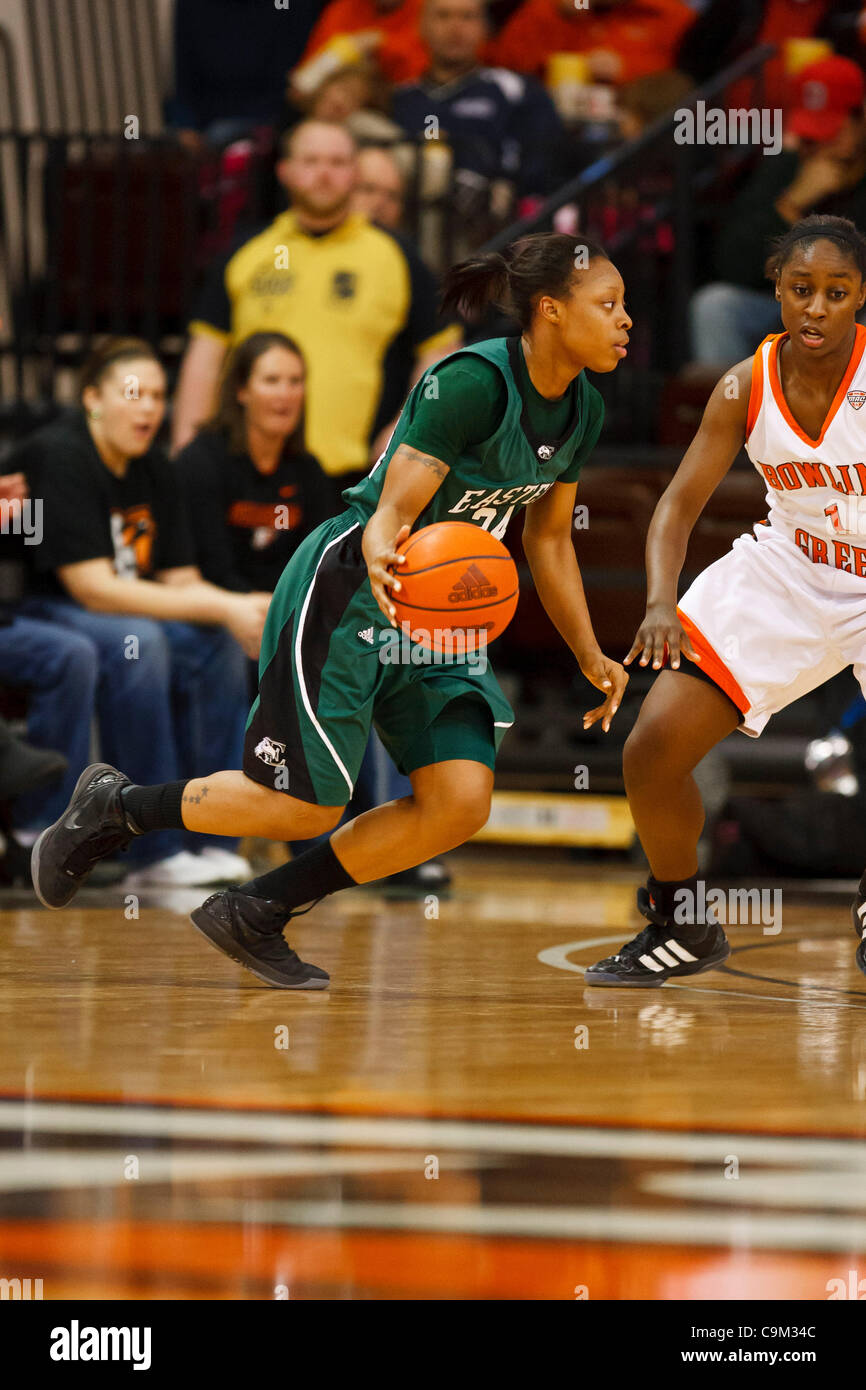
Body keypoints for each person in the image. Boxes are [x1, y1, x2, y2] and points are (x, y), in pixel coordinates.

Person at [32, 232, 631, 990]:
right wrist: (385, 550)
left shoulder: (584, 410)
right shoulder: (471, 384)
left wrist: (587, 651)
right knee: (304, 806)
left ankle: (257, 909)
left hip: (437, 616)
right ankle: (117, 807)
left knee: (459, 802)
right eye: (607, 305)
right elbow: (392, 508)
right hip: (356, 581)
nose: (625, 321)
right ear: (550, 311)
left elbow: (548, 540)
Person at [584, 214, 866, 987]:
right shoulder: (743, 384)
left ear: (860, 299)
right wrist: (657, 602)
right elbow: (675, 508)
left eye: (835, 293)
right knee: (651, 750)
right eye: (801, 289)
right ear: (775, 289)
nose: (815, 308)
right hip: (791, 568)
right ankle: (681, 920)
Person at [17, 338, 270, 887]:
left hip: (116, 608)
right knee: (143, 641)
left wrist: (234, 609)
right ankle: (147, 849)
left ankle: (211, 836)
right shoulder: (62, 452)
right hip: (43, 606)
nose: (149, 408)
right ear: (92, 399)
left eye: (158, 395)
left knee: (214, 644)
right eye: (133, 393)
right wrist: (228, 605)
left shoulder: (154, 464)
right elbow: (93, 589)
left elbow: (180, 578)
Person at [172, 119, 461, 475]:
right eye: (310, 162)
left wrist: (406, 427)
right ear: (284, 171)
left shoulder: (396, 255)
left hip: (352, 476)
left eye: (337, 163)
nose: (324, 174)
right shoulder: (246, 253)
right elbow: (206, 356)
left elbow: (441, 350)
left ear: (354, 173)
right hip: (245, 473)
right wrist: (185, 448)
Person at [691, 57, 866, 367]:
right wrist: (791, 204)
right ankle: (733, 410)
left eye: (830, 131)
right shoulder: (786, 166)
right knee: (715, 305)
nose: (816, 147)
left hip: (853, 308)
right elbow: (731, 263)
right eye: (809, 136)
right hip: (784, 305)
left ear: (860, 120)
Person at [176, 332, 339, 596]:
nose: (285, 394)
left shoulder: (309, 470)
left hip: (283, 610)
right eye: (271, 381)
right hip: (217, 610)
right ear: (242, 390)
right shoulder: (201, 462)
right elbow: (213, 569)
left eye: (295, 381)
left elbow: (318, 565)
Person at [390, 0, 567, 205]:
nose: (455, 27)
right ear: (421, 27)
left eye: (468, 17)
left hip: (501, 223)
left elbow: (546, 166)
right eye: (443, 16)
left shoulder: (517, 90)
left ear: (485, 27)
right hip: (413, 217)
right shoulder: (402, 98)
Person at [490, 0, 694, 87]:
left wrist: (626, 69)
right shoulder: (562, 8)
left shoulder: (670, 14)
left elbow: (689, 78)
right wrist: (557, 14)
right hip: (553, 122)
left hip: (638, 130)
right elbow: (505, 63)